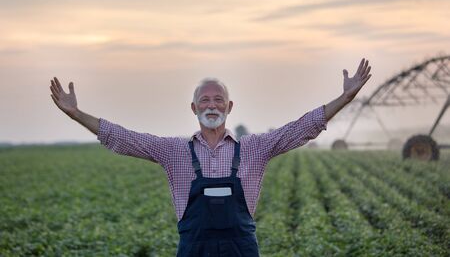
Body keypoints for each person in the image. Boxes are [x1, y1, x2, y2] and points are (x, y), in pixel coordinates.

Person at [49, 58, 372, 256]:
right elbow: (122, 138)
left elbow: (304, 127)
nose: (212, 105)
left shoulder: (254, 149)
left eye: (219, 100)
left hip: (240, 249)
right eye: (205, 100)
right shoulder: (174, 151)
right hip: (194, 249)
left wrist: (345, 97)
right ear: (194, 108)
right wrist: (76, 113)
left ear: (230, 107)